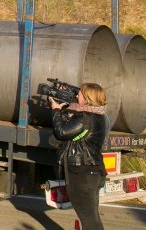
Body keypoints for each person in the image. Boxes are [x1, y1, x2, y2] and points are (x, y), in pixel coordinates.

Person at [50, 82, 110, 230]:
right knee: (92, 220)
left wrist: (56, 111)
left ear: (87, 98)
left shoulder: (85, 118)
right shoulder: (100, 116)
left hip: (81, 173)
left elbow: (61, 132)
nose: (77, 95)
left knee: (89, 222)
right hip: (93, 172)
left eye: (80, 93)